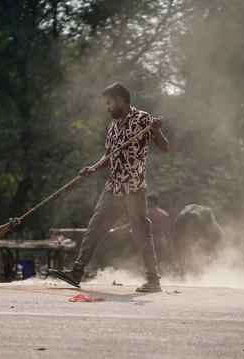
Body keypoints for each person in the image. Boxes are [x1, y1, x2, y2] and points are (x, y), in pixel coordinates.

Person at [49, 82, 170, 292]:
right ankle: (76, 273)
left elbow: (164, 147)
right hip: (113, 188)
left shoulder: (143, 119)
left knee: (141, 233)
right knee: (95, 228)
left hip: (134, 188)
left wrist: (157, 130)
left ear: (120, 101)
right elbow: (108, 157)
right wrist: (92, 168)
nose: (107, 108)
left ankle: (153, 281)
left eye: (108, 103)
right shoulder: (112, 126)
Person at [112, 193, 170, 270]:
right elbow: (166, 229)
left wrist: (116, 230)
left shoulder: (146, 214)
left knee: (146, 266)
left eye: (147, 201)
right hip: (161, 243)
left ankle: (150, 281)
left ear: (152, 202)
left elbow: (132, 225)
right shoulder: (165, 214)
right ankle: (158, 281)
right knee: (158, 266)